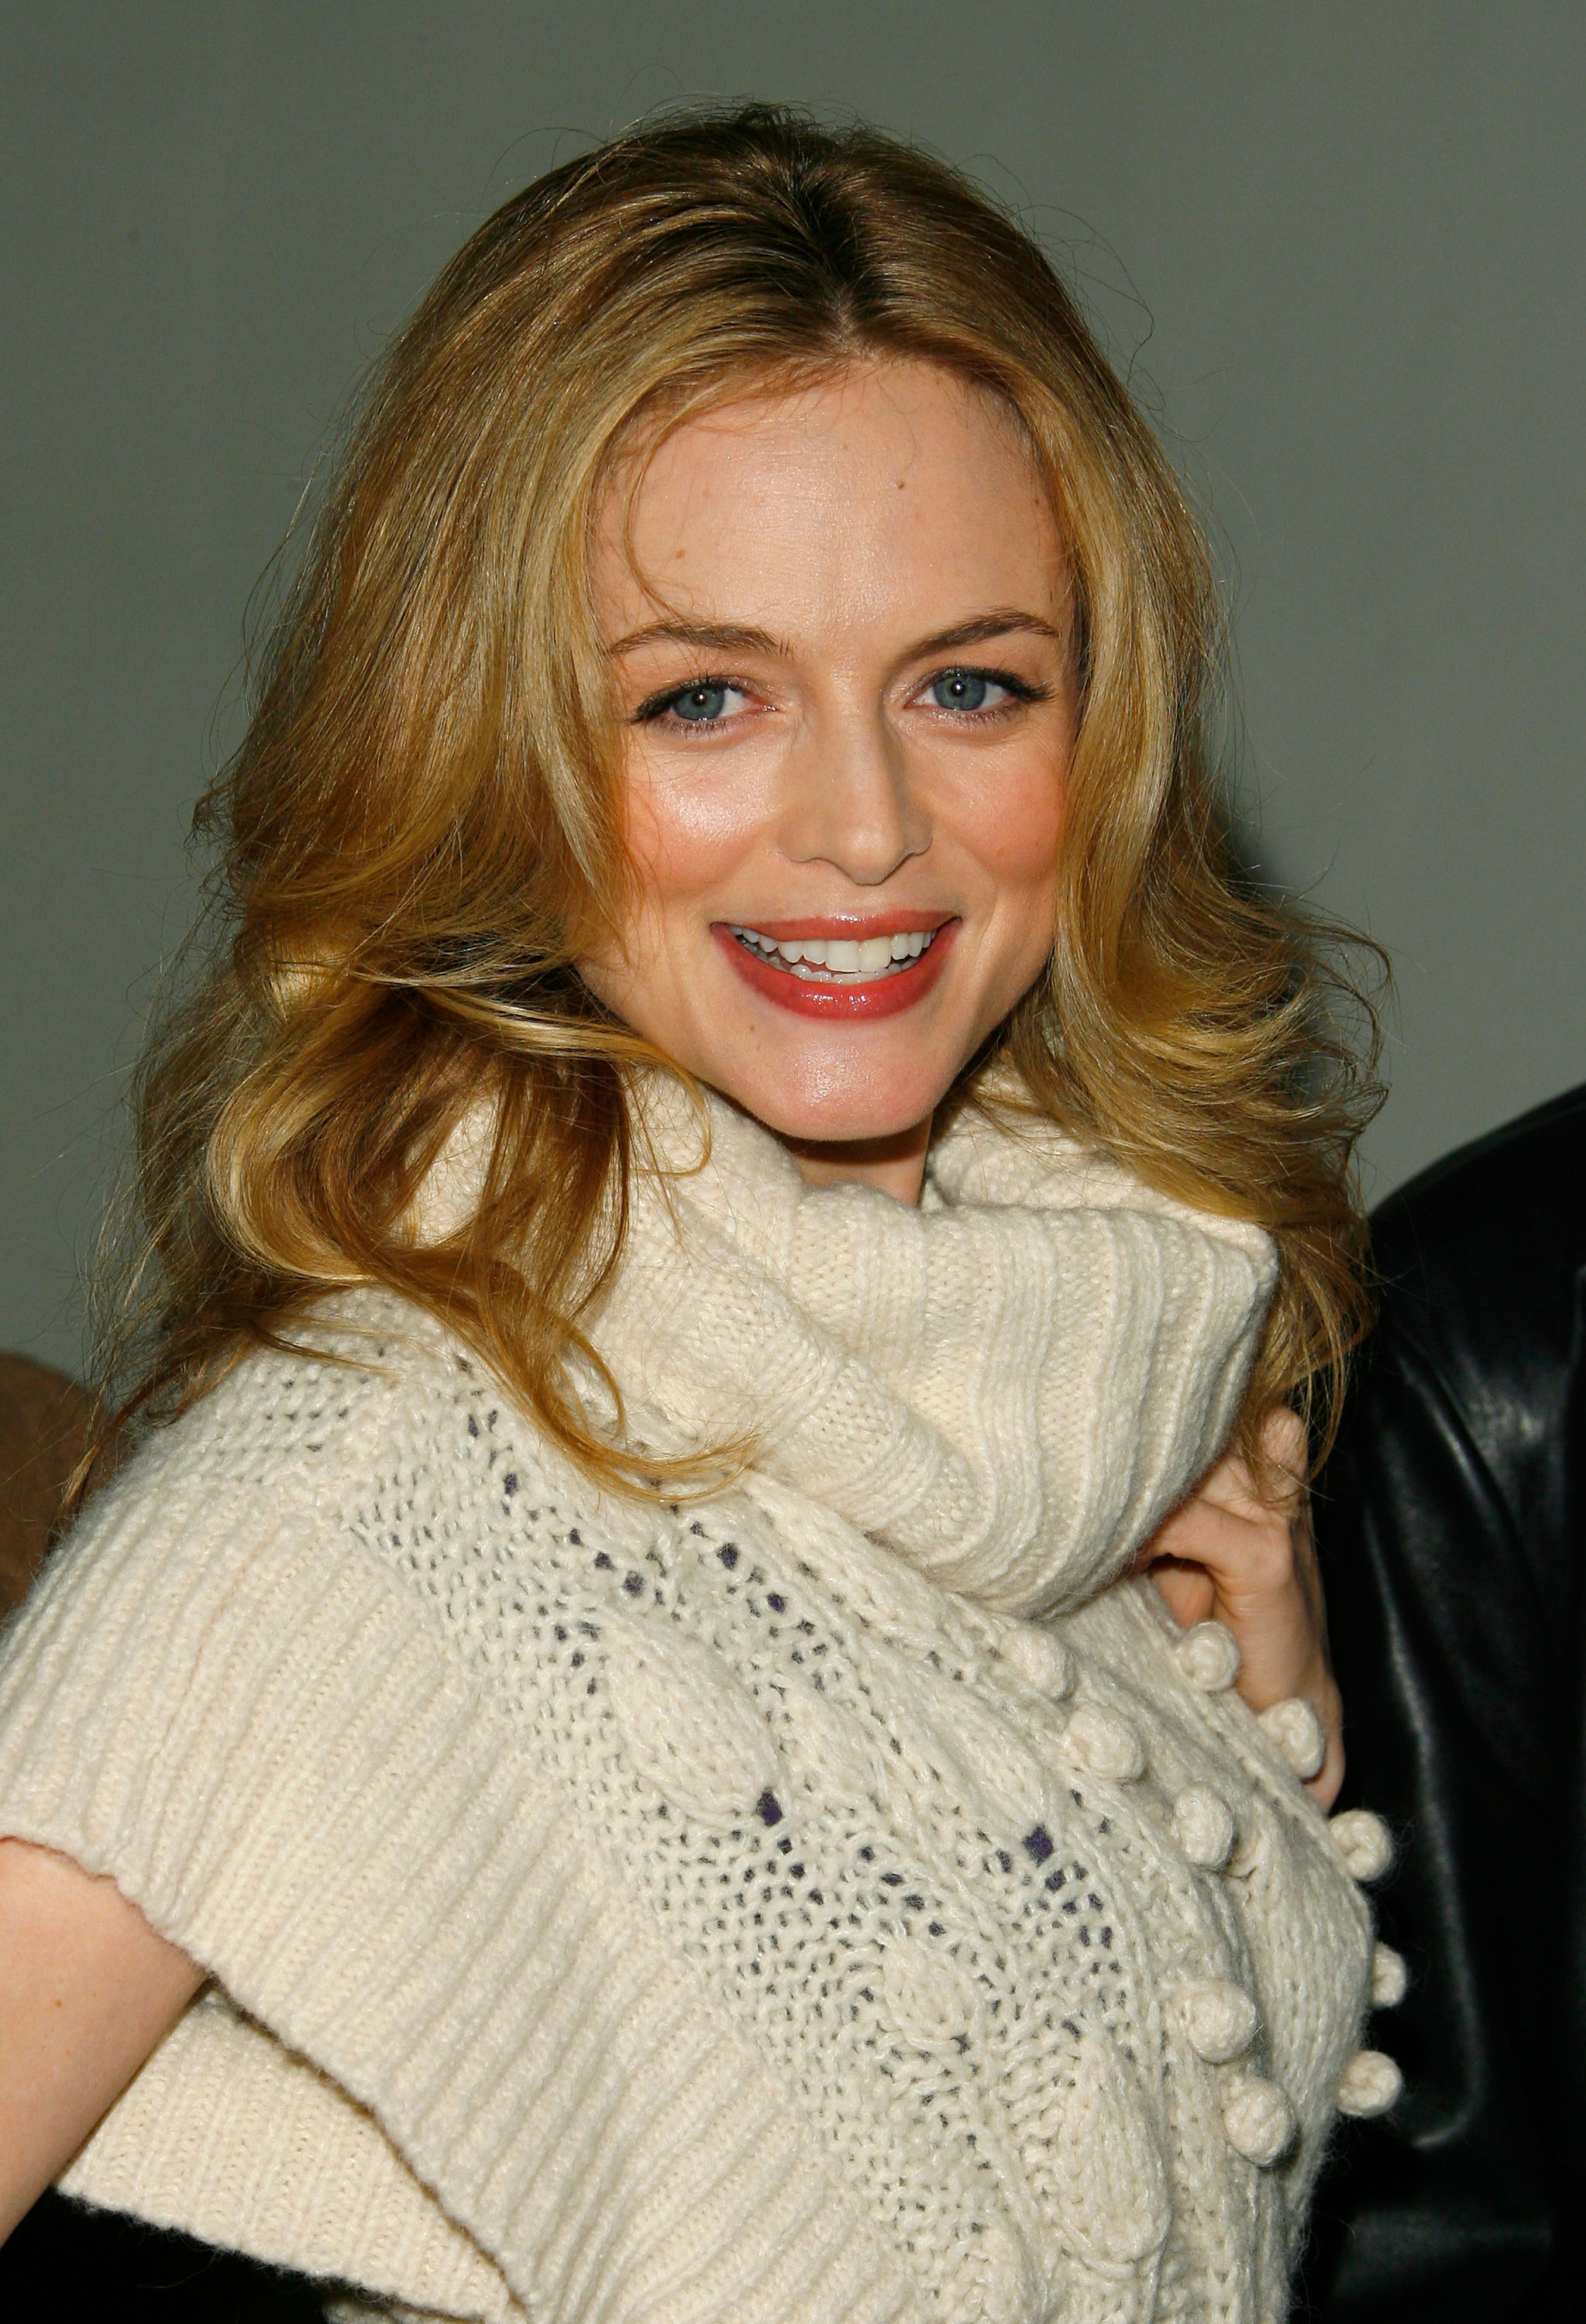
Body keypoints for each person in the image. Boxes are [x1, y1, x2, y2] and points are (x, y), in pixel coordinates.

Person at [0, 106, 1402, 2324]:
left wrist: (1262, 1706)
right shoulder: (336, 1509)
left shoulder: (1108, 1379)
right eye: (705, 698)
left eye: (968, 685)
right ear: (491, 753)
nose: (864, 824)